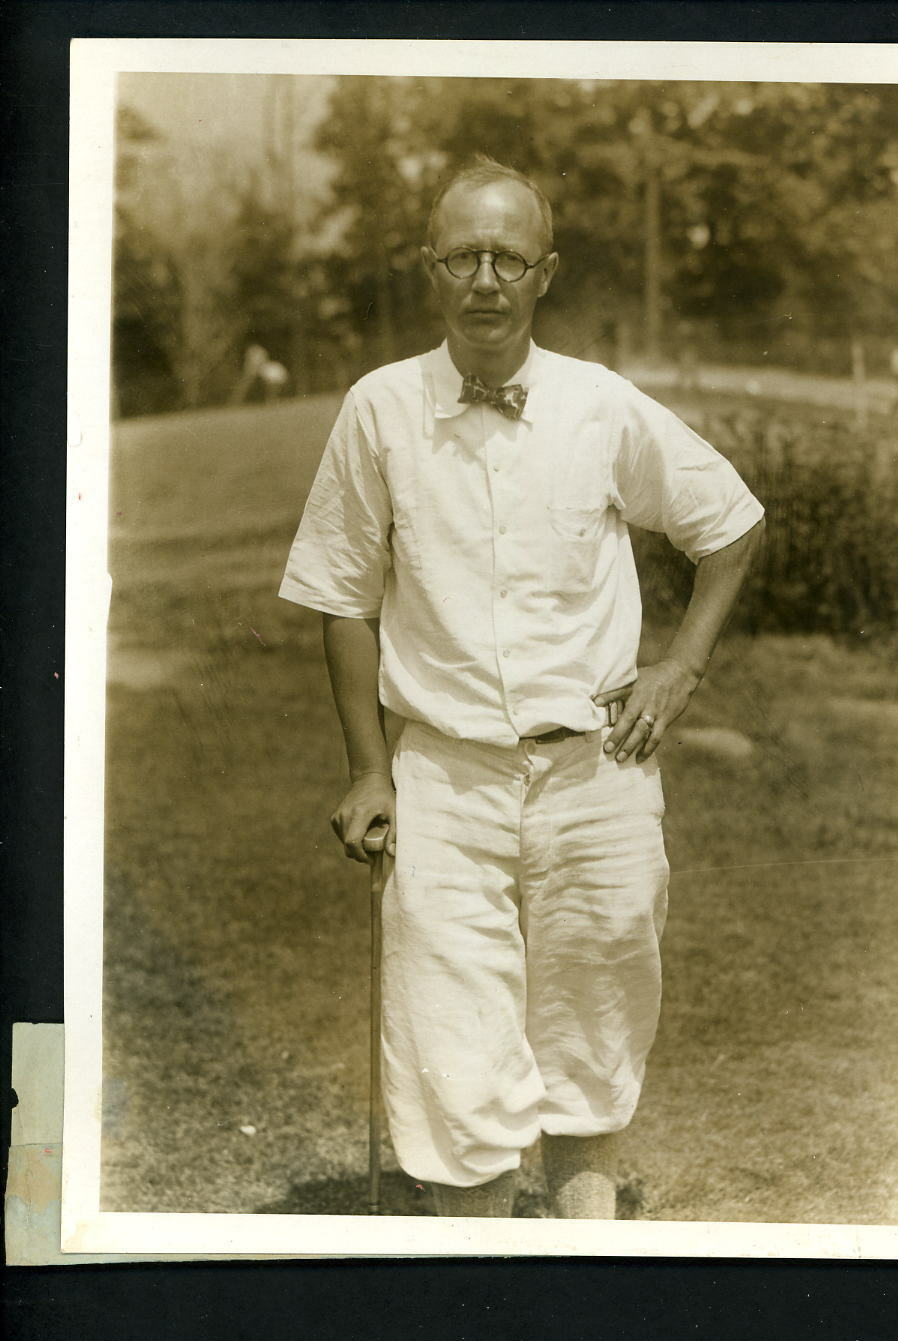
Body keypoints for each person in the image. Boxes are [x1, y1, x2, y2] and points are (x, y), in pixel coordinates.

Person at [280, 156, 765, 1220]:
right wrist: (368, 768)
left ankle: (583, 1246)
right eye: (464, 255)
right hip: (443, 780)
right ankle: (479, 1269)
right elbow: (340, 594)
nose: (485, 279)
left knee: (596, 1017)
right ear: (430, 268)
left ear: (545, 272)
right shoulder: (379, 409)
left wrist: (679, 667)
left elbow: (728, 524)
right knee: (453, 1040)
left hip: (598, 771)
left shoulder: (599, 405)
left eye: (508, 257)